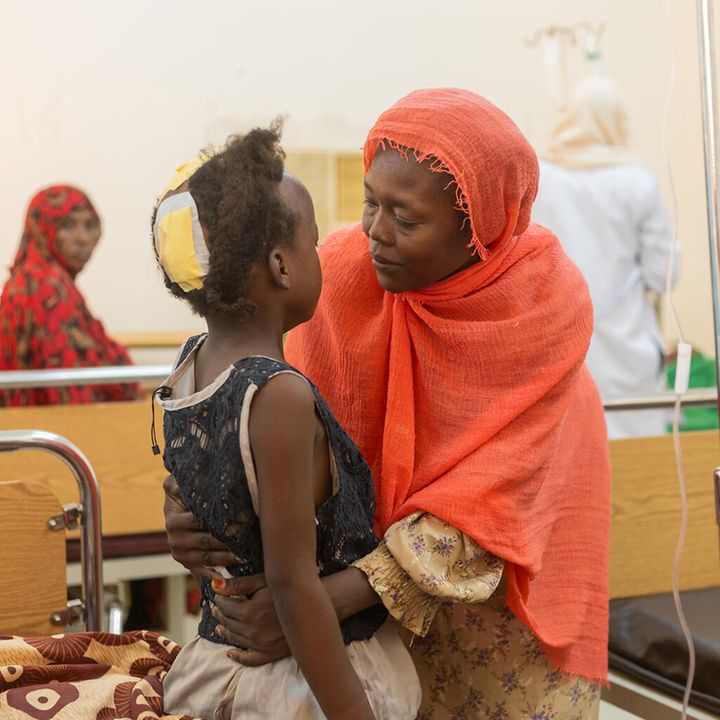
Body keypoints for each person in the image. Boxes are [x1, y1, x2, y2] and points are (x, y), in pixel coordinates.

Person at [164, 89, 611, 719]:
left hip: (495, 618)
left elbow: (486, 511)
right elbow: (255, 427)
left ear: (477, 228)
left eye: (405, 219)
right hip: (350, 632)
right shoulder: (343, 276)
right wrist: (191, 510)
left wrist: (306, 608)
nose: (374, 232)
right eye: (371, 201)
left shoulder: (539, 317)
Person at [152, 125, 421, 720]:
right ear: (280, 265)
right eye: (315, 245)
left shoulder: (189, 365)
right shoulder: (277, 392)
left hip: (218, 656)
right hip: (299, 682)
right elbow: (295, 586)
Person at [532, 74, 677, 439]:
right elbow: (664, 275)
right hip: (626, 347)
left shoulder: (542, 178)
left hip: (558, 339)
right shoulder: (637, 181)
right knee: (636, 462)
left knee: (572, 450)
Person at [0, 185, 139, 405]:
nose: (82, 238)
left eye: (90, 225)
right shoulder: (45, 287)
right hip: (52, 432)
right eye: (67, 225)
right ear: (41, 228)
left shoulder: (35, 279)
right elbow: (72, 394)